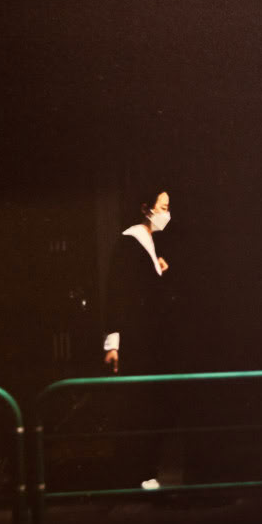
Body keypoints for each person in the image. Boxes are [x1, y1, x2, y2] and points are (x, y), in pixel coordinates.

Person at [102, 190, 173, 488]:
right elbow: (117, 295)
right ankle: (137, 473)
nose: (167, 214)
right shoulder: (129, 243)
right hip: (135, 342)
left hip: (148, 342)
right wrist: (112, 344)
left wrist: (159, 270)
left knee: (148, 406)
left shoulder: (149, 244)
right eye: (163, 207)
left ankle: (145, 471)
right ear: (146, 209)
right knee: (137, 407)